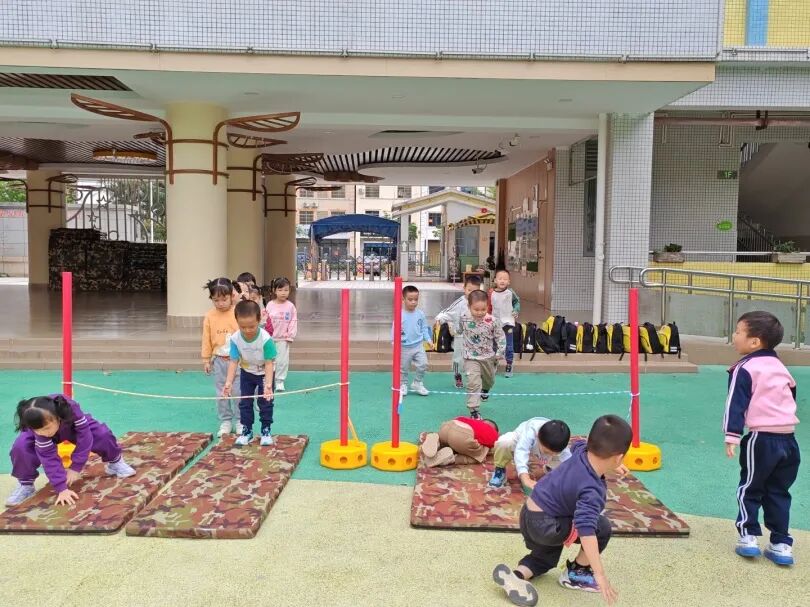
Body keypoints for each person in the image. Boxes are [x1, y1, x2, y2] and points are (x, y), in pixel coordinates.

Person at [492, 415, 631, 607]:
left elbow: (579, 444)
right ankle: (577, 573)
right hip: (548, 526)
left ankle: (517, 575)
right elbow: (587, 531)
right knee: (602, 527)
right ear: (619, 457)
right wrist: (600, 574)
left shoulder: (581, 450)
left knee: (548, 554)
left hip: (529, 515)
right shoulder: (592, 489)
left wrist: (613, 462)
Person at [724, 311, 800, 566]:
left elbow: (735, 403)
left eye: (738, 332)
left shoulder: (744, 368)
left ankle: (748, 536)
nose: (734, 336)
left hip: (761, 439)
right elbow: (790, 396)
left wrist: (732, 435)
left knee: (750, 487)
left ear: (754, 342)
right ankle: (781, 543)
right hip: (789, 440)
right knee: (779, 490)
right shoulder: (781, 368)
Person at [6, 394, 135, 507]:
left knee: (101, 434)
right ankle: (26, 484)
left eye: (46, 429)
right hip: (47, 427)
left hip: (71, 427)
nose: (43, 433)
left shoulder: (71, 409)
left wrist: (75, 467)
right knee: (20, 447)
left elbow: (85, 437)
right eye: (36, 430)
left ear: (58, 418)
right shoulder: (40, 432)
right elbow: (48, 458)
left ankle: (115, 462)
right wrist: (61, 488)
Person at [222, 300, 277, 447]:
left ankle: (266, 430)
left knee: (265, 402)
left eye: (251, 326)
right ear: (237, 322)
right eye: (242, 327)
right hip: (247, 373)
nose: (247, 330)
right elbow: (234, 361)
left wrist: (268, 385)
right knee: (245, 403)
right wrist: (228, 382)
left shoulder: (266, 339)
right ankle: (247, 431)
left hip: (265, 373)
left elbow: (269, 363)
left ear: (259, 320)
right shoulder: (235, 339)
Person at [201, 277, 242, 437]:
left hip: (238, 361)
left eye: (224, 299)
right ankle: (225, 421)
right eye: (216, 300)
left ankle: (240, 421)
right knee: (221, 393)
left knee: (239, 392)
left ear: (232, 296)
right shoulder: (210, 316)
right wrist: (206, 359)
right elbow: (206, 338)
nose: (220, 303)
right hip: (219, 360)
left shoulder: (238, 312)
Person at [488, 418, 572, 489]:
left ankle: (548, 469)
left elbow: (571, 464)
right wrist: (526, 479)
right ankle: (500, 468)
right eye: (547, 452)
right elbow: (521, 451)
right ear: (537, 437)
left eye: (554, 453)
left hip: (540, 449)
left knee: (565, 463)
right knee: (504, 442)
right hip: (519, 443)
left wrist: (547, 469)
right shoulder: (530, 432)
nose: (550, 455)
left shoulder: (562, 447)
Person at [460, 289, 505, 418]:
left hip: (488, 357)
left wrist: (500, 351)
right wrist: (451, 329)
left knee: (489, 380)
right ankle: (474, 410)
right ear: (469, 306)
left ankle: (485, 389)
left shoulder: (492, 321)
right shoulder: (464, 318)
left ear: (487, 306)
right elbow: (458, 329)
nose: (480, 313)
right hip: (470, 357)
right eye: (476, 309)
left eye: (483, 309)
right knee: (473, 383)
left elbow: (500, 337)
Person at [435, 274, 482, 389]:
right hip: (460, 336)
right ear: (464, 288)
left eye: (475, 291)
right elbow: (447, 312)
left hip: (474, 337)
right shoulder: (460, 303)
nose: (471, 293)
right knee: (458, 358)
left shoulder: (480, 303)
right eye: (469, 290)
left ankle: (472, 376)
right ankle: (457, 375)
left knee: (474, 358)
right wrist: (439, 319)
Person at [420, 416, 499, 467]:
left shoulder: (470, 420)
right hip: (463, 437)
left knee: (448, 440)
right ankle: (452, 458)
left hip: (447, 426)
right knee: (481, 456)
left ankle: (437, 440)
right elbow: (498, 446)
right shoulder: (492, 433)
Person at [398, 285, 432, 396]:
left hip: (418, 345)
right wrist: (394, 342)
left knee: (423, 364)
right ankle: (403, 384)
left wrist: (428, 340)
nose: (413, 302)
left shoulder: (420, 314)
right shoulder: (399, 315)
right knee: (403, 368)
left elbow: (424, 328)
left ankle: (417, 382)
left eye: (416, 299)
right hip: (404, 346)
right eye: (410, 299)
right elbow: (395, 329)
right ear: (403, 299)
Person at [266, 277, 297, 392]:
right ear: (274, 290)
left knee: (282, 361)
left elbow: (293, 321)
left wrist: (290, 335)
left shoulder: (290, 306)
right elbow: (265, 320)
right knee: (268, 359)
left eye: (286, 290)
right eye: (280, 290)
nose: (283, 293)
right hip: (269, 338)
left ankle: (279, 381)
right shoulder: (270, 305)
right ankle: (268, 380)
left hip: (283, 339)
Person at [488, 269, 520, 378]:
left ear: (509, 281)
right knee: (494, 344)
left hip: (508, 323)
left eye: (505, 279)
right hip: (495, 323)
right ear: (495, 280)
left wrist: (516, 310)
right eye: (500, 278)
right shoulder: (491, 292)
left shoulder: (510, 292)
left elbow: (517, 302)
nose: (502, 281)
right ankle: (494, 363)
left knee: (509, 345)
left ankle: (509, 364)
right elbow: (488, 306)